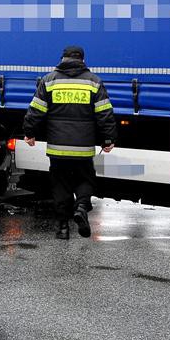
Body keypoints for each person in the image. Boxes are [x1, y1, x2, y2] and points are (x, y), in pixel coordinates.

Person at [22, 45, 117, 239]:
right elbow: (104, 114)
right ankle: (81, 207)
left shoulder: (49, 81)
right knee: (86, 179)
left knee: (60, 186)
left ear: (62, 58)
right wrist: (108, 138)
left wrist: (29, 132)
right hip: (83, 147)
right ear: (82, 60)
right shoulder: (93, 82)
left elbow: (36, 110)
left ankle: (63, 228)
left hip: (57, 148)